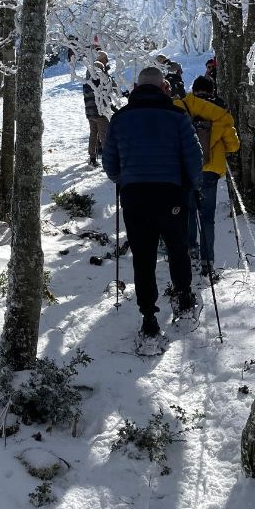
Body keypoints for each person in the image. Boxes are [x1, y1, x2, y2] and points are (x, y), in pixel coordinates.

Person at [102, 66, 203, 338]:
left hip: (135, 197)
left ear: (136, 88)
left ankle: (149, 319)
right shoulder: (178, 117)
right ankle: (184, 299)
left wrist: (125, 180)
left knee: (143, 258)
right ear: (163, 88)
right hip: (172, 195)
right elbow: (194, 159)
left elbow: (109, 162)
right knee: (178, 249)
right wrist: (193, 186)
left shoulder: (120, 119)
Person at [175, 75, 240, 273]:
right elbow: (233, 145)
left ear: (193, 89)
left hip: (186, 168)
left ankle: (190, 248)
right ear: (212, 91)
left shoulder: (181, 106)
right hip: (210, 170)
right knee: (207, 217)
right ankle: (207, 261)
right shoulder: (221, 112)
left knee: (188, 211)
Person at [83, 52, 115, 167]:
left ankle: (92, 158)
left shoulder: (87, 82)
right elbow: (108, 91)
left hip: (90, 112)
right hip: (100, 112)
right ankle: (107, 161)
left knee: (93, 134)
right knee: (104, 135)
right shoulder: (99, 82)